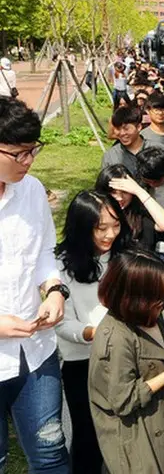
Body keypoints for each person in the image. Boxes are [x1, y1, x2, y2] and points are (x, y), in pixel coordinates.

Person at [0, 97, 69, 471]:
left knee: (50, 454)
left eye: (33, 151)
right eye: (18, 154)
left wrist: (55, 289)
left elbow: (44, 251)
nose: (29, 161)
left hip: (36, 354)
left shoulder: (31, 191)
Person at [88, 250, 164, 474]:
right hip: (141, 441)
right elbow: (123, 400)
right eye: (158, 295)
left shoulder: (152, 315)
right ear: (138, 296)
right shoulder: (115, 338)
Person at [54, 190, 133, 473]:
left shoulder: (126, 256)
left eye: (116, 225)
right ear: (82, 226)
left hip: (126, 359)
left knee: (129, 434)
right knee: (89, 437)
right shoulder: (61, 264)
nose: (110, 235)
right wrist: (92, 333)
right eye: (101, 228)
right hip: (83, 364)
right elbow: (61, 323)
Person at [95, 164, 164, 250]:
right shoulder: (94, 215)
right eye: (113, 192)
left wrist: (139, 191)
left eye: (125, 192)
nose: (120, 198)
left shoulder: (141, 216)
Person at [101, 107, 159, 174]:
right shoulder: (110, 156)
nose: (122, 133)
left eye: (126, 129)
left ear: (138, 127)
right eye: (118, 129)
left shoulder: (156, 149)